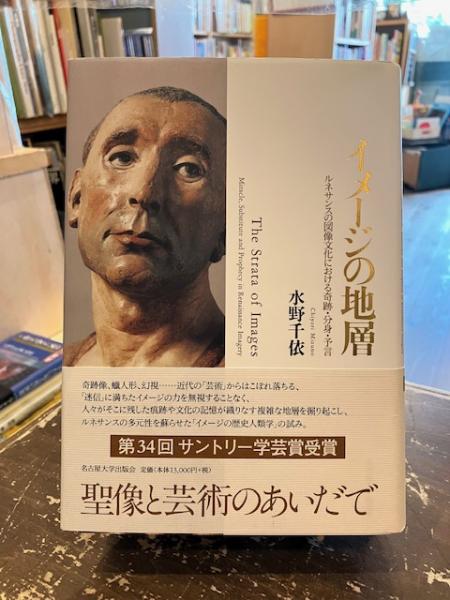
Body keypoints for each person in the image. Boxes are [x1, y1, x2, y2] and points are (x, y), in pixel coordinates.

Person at [65, 86, 226, 367]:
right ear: (77, 198)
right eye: (122, 158)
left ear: (226, 227)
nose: (144, 192)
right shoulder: (60, 369)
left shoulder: (252, 378)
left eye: (189, 169)